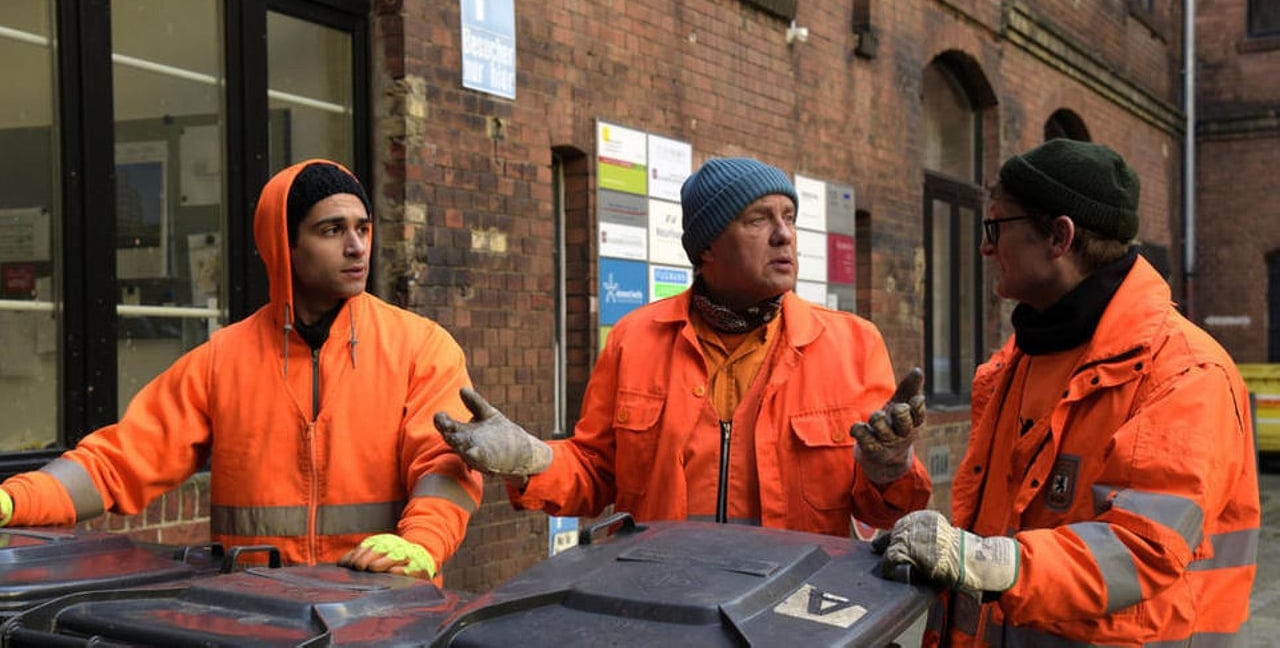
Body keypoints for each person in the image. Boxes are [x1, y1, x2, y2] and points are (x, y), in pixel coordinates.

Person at [0, 160, 483, 583]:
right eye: (332, 230)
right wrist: (14, 501)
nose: (357, 247)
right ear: (284, 245)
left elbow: (444, 465)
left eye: (363, 227)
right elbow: (117, 463)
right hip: (257, 616)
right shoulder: (224, 359)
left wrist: (423, 543)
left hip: (384, 613)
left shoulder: (421, 348)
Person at [876, 139, 1260, 646]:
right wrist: (895, 474)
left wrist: (983, 560)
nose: (985, 247)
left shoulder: (1184, 373)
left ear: (1060, 236)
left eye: (995, 226)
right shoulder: (1018, 360)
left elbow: (1141, 549)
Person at [435, 156, 931, 537]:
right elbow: (594, 472)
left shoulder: (851, 345)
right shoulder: (636, 339)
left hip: (793, 617)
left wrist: (891, 466)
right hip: (665, 606)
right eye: (759, 219)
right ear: (707, 248)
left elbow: (886, 510)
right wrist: (533, 460)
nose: (784, 235)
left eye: (789, 218)